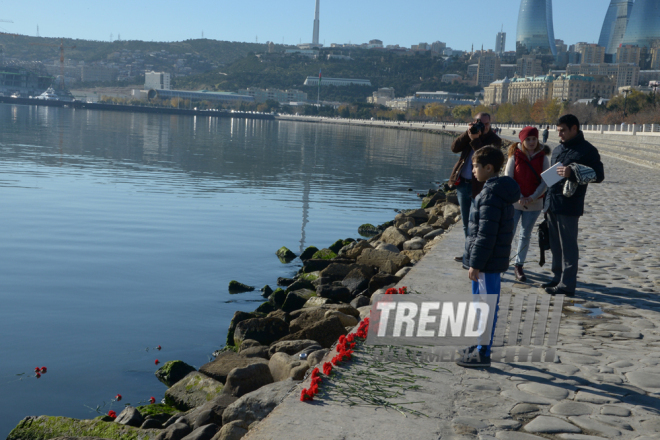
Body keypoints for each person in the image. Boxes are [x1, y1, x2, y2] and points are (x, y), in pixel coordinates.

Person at [456, 146, 521, 368]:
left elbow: (486, 234)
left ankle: (483, 353)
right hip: (490, 261)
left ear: (489, 167)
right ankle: (480, 345)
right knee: (482, 304)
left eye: (475, 166)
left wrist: (475, 264)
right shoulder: (495, 190)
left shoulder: (491, 194)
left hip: (487, 263)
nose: (473, 170)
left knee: (485, 305)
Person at [543, 114, 604, 296]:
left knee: (568, 247)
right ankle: (557, 277)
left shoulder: (587, 151)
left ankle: (567, 284)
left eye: (563, 130)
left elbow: (599, 175)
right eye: (558, 130)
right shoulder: (558, 149)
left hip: (569, 205)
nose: (559, 134)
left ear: (574, 129)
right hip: (552, 203)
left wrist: (573, 172)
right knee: (555, 245)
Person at [449, 113, 502, 262]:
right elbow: (454, 148)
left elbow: (486, 158)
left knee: (478, 223)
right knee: (467, 223)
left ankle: (479, 255)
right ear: (474, 122)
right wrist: (467, 134)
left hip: (479, 187)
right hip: (462, 184)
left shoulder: (494, 140)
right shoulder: (470, 135)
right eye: (480, 123)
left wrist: (475, 140)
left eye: (486, 124)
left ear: (490, 124)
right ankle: (469, 253)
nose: (483, 126)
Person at [505, 127, 550, 282]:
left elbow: (546, 181)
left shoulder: (543, 157)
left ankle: (519, 265)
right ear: (522, 140)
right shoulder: (514, 156)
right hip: (515, 202)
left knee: (525, 234)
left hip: (534, 203)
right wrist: (519, 196)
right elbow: (508, 178)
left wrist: (532, 197)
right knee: (508, 233)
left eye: (534, 139)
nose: (531, 142)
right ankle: (503, 261)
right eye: (528, 139)